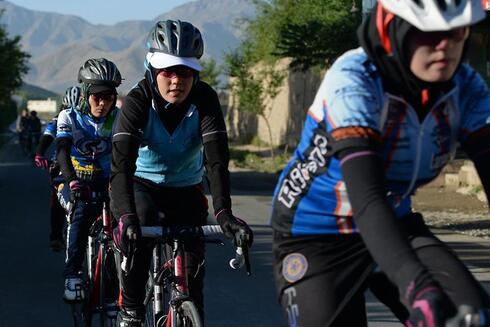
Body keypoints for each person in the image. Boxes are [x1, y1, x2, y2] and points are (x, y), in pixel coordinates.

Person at [270, 0, 490, 326]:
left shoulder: (466, 86)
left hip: (393, 221)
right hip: (315, 235)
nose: (444, 45)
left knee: (472, 316)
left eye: (455, 30)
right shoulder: (353, 80)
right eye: (427, 33)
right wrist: (417, 286)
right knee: (424, 298)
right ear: (392, 29)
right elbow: (367, 199)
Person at [110, 19, 254, 326]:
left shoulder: (205, 99)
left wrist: (226, 214)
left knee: (192, 277)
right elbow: (120, 167)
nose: (177, 80)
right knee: (140, 227)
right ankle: (132, 310)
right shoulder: (137, 101)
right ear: (151, 69)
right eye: (168, 71)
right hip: (142, 185)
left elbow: (217, 162)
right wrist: (126, 218)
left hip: (187, 189)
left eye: (185, 71)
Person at [56, 58, 121, 301]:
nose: (103, 103)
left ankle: (115, 290)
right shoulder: (69, 116)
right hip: (75, 179)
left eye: (109, 97)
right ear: (84, 93)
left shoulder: (119, 117)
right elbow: (62, 150)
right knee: (79, 213)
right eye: (97, 97)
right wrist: (71, 181)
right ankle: (72, 274)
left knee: (122, 224)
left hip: (107, 180)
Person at [34, 86, 82, 252]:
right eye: (69, 109)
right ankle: (55, 236)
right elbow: (48, 136)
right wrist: (39, 153)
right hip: (61, 162)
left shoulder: (88, 117)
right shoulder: (58, 118)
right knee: (56, 198)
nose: (72, 113)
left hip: (84, 162)